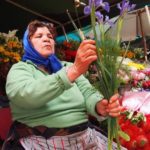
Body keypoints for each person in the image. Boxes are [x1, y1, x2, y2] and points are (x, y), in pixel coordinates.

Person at [3, 20, 122, 150]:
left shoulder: (67, 66)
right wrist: (73, 72)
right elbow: (25, 95)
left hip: (85, 136)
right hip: (43, 141)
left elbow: (88, 92)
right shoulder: (21, 69)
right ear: (28, 43)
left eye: (50, 36)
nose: (47, 39)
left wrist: (99, 105)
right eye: (39, 36)